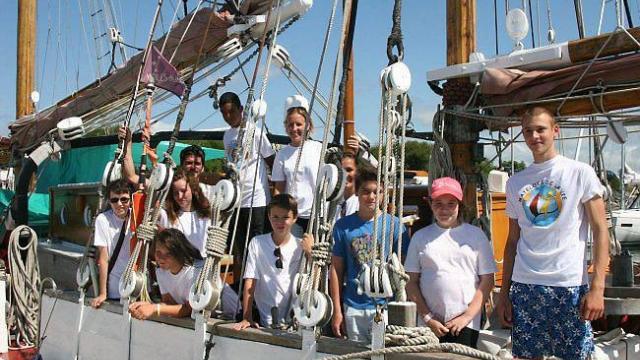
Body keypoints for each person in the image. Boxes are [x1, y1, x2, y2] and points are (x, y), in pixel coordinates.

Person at [496, 107, 609, 360]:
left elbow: (601, 231)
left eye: (540, 129)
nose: (534, 136)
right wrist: (504, 294)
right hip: (525, 286)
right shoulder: (515, 182)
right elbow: (512, 241)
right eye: (528, 131)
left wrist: (597, 288)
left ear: (555, 131)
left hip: (568, 285)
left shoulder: (580, 173)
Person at [405, 177, 496, 348]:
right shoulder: (419, 237)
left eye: (450, 204)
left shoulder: (476, 235)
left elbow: (487, 281)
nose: (444, 209)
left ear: (459, 205)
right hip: (428, 325)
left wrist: (466, 317)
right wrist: (428, 317)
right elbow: (411, 282)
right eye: (438, 203)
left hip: (465, 325)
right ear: (430, 204)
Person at [329, 168, 410, 342]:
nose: (372, 197)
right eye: (366, 192)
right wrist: (337, 310)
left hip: (386, 307)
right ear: (357, 193)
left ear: (383, 194)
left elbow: (403, 271)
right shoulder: (343, 226)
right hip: (353, 306)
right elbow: (336, 270)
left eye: (377, 192)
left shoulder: (395, 226)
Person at [219, 91, 276, 283]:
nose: (228, 117)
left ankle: (259, 289)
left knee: (258, 248)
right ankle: (241, 290)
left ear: (241, 109)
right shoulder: (227, 136)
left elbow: (271, 161)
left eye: (232, 112)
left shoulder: (256, 132)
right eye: (224, 113)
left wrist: (275, 192)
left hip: (256, 199)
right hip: (236, 201)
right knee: (240, 248)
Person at [233, 194, 312, 330]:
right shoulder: (257, 243)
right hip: (264, 320)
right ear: (268, 217)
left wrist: (310, 253)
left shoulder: (301, 246)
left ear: (294, 218)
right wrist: (247, 317)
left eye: (285, 217)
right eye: (275, 217)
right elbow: (250, 281)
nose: (280, 222)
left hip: (295, 321)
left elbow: (312, 280)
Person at [128, 228, 238, 319]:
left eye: (168, 253)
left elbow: (191, 308)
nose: (161, 258)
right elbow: (169, 303)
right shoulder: (161, 272)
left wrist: (154, 309)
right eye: (158, 252)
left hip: (230, 315)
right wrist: (148, 306)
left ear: (179, 253)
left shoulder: (197, 271)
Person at [117, 126, 214, 199]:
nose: (193, 167)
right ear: (181, 166)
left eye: (197, 164)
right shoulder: (167, 186)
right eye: (189, 163)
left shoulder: (212, 193)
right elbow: (132, 176)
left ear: (203, 168)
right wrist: (128, 143)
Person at [272, 96, 323, 236]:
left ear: (307, 125)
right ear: (286, 127)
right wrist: (276, 215)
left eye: (298, 124)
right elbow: (279, 189)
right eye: (290, 125)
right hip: (292, 217)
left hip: (317, 216)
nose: (294, 129)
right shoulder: (282, 154)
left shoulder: (319, 149)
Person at [91, 180, 133, 308]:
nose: (119, 204)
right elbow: (103, 259)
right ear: (109, 201)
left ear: (131, 200)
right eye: (114, 200)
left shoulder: (138, 218)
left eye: (124, 200)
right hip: (116, 288)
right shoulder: (102, 220)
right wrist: (103, 293)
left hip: (138, 286)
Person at [159, 168, 211, 259]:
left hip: (203, 267)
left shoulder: (207, 215)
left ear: (192, 189)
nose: (180, 196)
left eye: (183, 191)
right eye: (176, 193)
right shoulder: (167, 216)